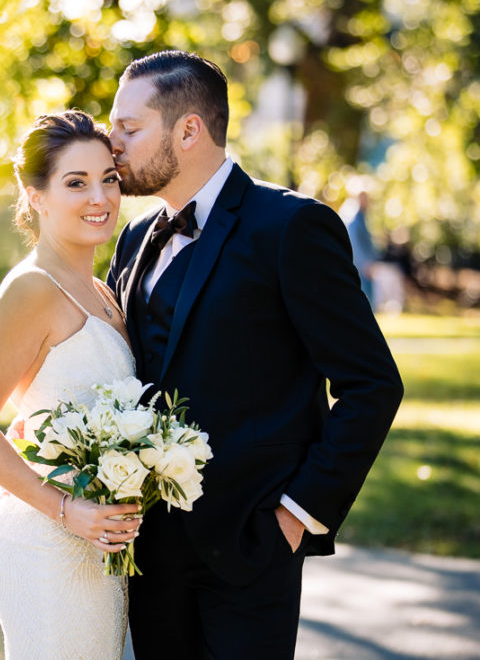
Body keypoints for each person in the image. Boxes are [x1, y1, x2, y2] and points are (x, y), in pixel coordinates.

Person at [105, 51, 403, 659]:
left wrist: (295, 516)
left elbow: (371, 384)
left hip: (249, 550)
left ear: (188, 130)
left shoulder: (292, 227)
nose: (112, 143)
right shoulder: (135, 236)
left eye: (128, 128)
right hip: (148, 555)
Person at [0, 111, 141, 659]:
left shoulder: (101, 291)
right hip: (46, 544)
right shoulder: (31, 289)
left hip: (97, 544)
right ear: (35, 196)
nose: (99, 196)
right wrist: (66, 510)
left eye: (109, 178)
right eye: (75, 183)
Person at [340, 190, 380, 307]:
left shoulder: (362, 217)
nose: (367, 201)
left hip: (366, 264)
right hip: (361, 266)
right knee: (364, 298)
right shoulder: (354, 219)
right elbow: (355, 244)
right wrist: (365, 263)